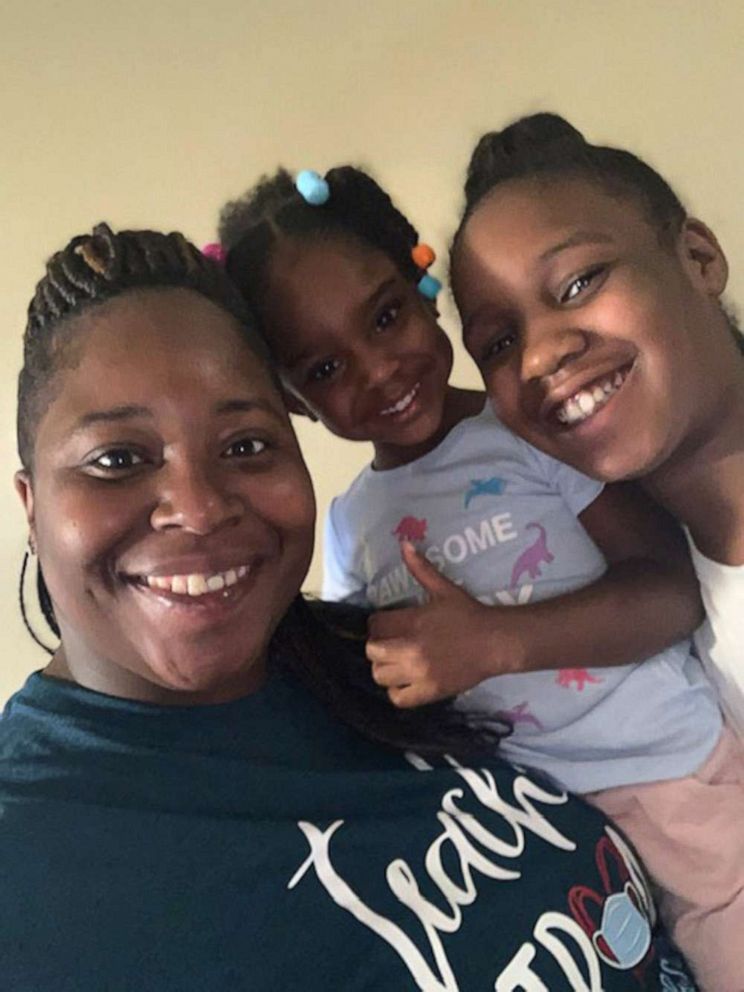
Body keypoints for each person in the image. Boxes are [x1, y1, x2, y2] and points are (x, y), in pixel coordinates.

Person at [0, 222, 699, 991]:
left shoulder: (364, 653)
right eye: (118, 460)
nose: (197, 509)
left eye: (244, 446)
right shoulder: (30, 863)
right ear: (31, 505)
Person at [450, 112, 744, 990]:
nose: (540, 353)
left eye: (577, 282)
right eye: (497, 343)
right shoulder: (658, 624)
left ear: (697, 257)